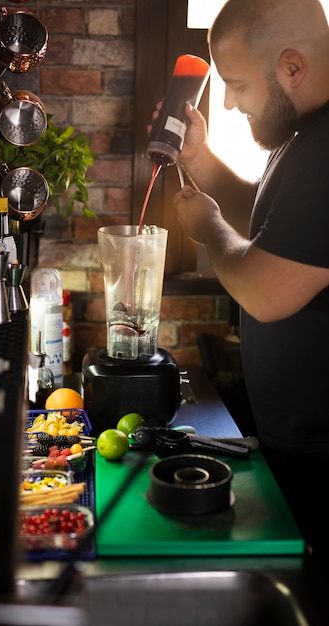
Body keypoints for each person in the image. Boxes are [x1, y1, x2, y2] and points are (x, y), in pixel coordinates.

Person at [167, 0, 329, 565]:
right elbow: (274, 227)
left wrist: (206, 228)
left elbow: (267, 289)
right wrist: (201, 159)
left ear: (291, 67)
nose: (229, 102)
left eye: (236, 84)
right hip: (298, 442)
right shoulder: (304, 132)